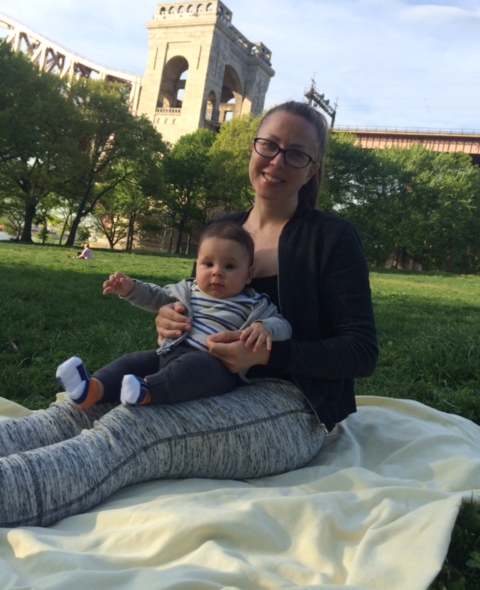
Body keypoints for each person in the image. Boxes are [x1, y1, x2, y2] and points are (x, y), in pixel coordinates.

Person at [0, 100, 378, 528]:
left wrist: (270, 355)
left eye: (296, 153)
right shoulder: (224, 230)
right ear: (253, 149)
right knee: (75, 410)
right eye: (269, 146)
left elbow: (361, 351)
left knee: (135, 427)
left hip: (291, 404)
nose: (277, 161)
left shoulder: (331, 237)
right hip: (196, 374)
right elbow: (190, 301)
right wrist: (168, 320)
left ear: (312, 169)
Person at [56, 222, 292, 408]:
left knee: (192, 368)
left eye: (229, 267)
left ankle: (148, 391)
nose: (217, 273)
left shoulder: (254, 302)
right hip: (169, 352)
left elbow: (282, 324)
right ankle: (92, 389)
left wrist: (265, 327)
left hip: (214, 366)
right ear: (196, 264)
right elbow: (157, 297)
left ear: (249, 274)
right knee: (133, 361)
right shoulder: (188, 291)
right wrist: (130, 289)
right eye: (208, 264)